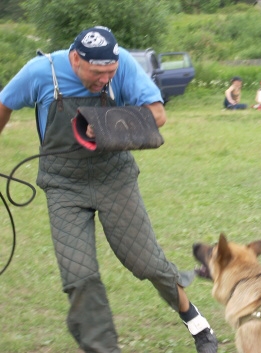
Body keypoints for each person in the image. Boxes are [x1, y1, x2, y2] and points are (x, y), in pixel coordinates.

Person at [0, 26, 217, 353]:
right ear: (75, 58)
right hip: (62, 185)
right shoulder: (41, 72)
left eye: (110, 73)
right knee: (80, 276)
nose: (104, 80)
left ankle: (194, 319)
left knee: (146, 262)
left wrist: (106, 122)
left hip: (114, 177)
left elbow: (158, 114)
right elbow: (4, 103)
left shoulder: (124, 65)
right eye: (97, 73)